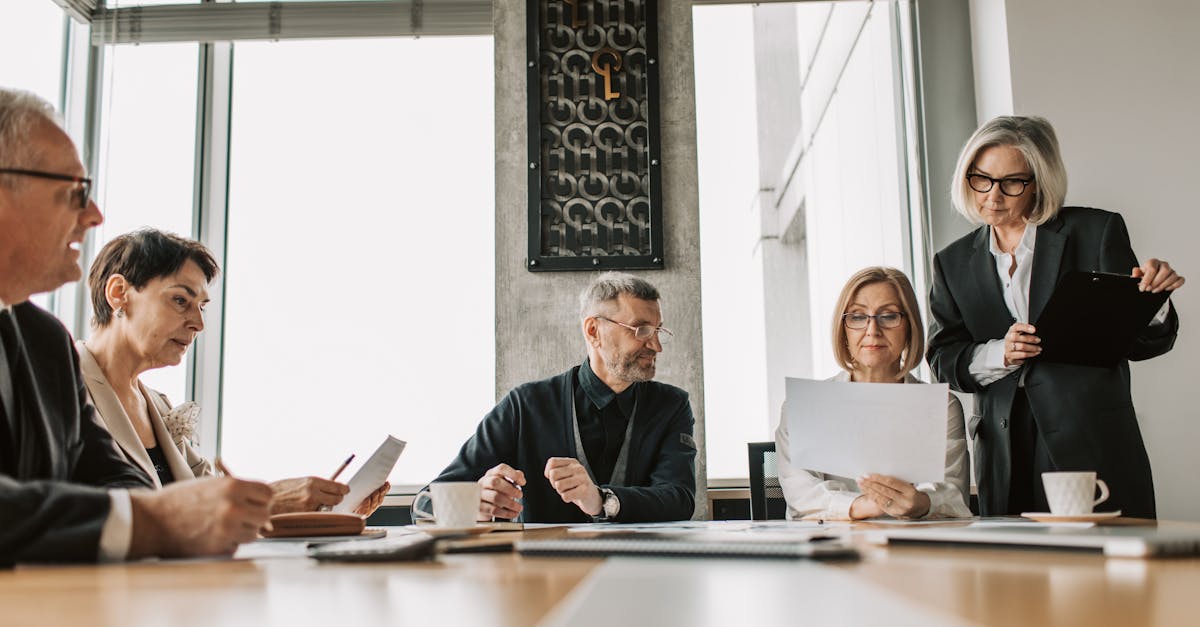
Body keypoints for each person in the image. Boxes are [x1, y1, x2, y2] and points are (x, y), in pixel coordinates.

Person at [0, 87, 272, 565]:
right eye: (75, 191)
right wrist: (151, 522)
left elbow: (117, 478)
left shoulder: (44, 341)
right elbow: (136, 508)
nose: (94, 215)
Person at [927, 115, 1183, 518]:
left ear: (1039, 181)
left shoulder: (1096, 231)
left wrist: (1153, 301)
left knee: (1109, 573)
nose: (993, 195)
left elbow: (1141, 343)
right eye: (981, 179)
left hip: (1090, 438)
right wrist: (1001, 354)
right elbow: (942, 358)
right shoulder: (952, 263)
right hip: (1004, 447)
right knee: (1018, 573)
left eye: (1012, 182)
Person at [76, 228, 387, 515]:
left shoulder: (158, 406)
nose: (198, 324)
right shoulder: (59, 386)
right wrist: (270, 500)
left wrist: (322, 511)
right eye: (181, 300)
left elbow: (206, 505)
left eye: (201, 307)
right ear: (118, 293)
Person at [430, 272, 696, 523]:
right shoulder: (525, 406)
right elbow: (426, 503)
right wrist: (474, 501)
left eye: (658, 330)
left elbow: (680, 499)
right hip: (543, 570)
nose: (656, 346)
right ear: (593, 331)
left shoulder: (672, 406)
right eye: (641, 330)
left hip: (643, 568)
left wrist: (602, 500)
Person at [775, 267, 971, 520]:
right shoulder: (802, 406)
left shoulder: (942, 406)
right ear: (843, 329)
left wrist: (921, 502)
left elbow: (952, 493)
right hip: (833, 546)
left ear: (910, 326)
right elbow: (801, 494)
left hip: (915, 546)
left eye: (888, 316)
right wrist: (860, 505)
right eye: (857, 317)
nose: (872, 330)